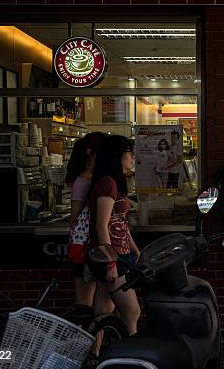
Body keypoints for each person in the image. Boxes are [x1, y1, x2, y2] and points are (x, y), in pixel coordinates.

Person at [87, 135, 141, 336]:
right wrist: (109, 263)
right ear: (117, 156)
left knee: (103, 310)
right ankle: (134, 355)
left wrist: (134, 249)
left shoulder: (115, 183)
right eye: (129, 153)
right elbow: (102, 225)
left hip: (120, 255)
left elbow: (120, 222)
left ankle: (95, 354)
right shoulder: (107, 184)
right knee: (132, 312)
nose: (132, 158)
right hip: (111, 257)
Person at [64, 131, 107, 307]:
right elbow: (75, 217)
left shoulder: (97, 179)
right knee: (85, 301)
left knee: (95, 297)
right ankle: (82, 333)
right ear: (91, 153)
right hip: (84, 247)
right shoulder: (83, 181)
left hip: (89, 245)